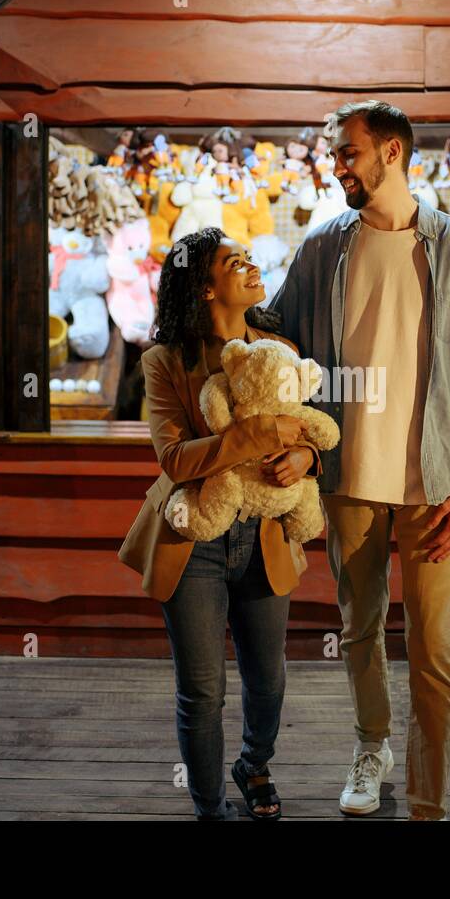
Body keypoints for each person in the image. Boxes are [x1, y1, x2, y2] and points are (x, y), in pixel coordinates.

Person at [269, 100, 450, 820]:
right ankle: (372, 747)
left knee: (435, 651)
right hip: (346, 480)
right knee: (359, 630)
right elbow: (274, 336)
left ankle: (430, 797)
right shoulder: (320, 249)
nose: (336, 164)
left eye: (348, 152)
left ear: (393, 153)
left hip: (435, 486)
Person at [117, 227, 325, 820]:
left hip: (264, 535)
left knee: (269, 680)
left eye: (250, 258)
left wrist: (307, 456)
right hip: (191, 537)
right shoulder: (163, 362)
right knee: (202, 690)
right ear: (206, 289)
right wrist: (259, 436)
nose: (252, 268)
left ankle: (253, 765)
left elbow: (312, 429)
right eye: (236, 263)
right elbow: (175, 459)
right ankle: (209, 807)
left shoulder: (278, 346)